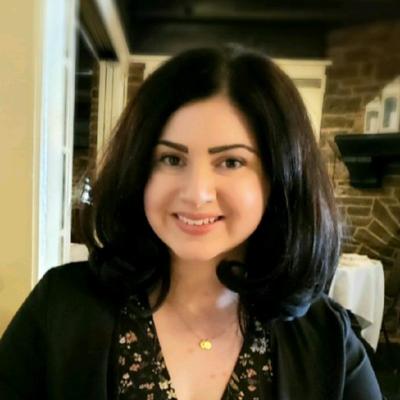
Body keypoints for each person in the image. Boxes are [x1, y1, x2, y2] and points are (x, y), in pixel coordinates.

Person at [0, 44, 382, 400]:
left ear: (278, 179)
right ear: (139, 169)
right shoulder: (60, 306)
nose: (197, 193)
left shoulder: (329, 340)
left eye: (231, 162)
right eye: (172, 159)